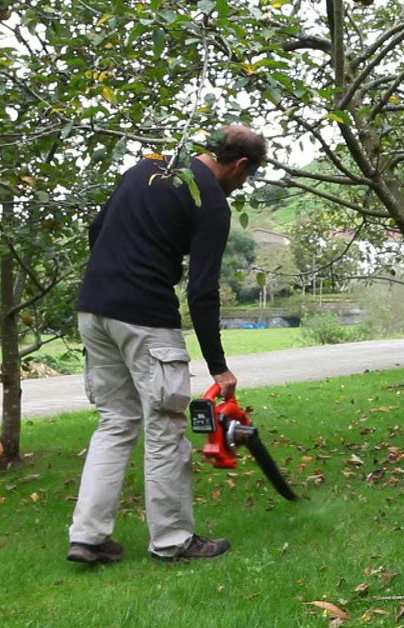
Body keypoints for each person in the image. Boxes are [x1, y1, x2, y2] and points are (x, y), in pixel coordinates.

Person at [67, 125, 267, 564]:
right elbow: (202, 291)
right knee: (165, 425)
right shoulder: (210, 201)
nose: (240, 185)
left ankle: (88, 537)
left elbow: (97, 229)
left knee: (114, 422)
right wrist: (219, 367)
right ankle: (174, 540)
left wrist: (111, 277)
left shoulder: (148, 169)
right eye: (246, 178)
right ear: (240, 165)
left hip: (93, 309)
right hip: (145, 319)